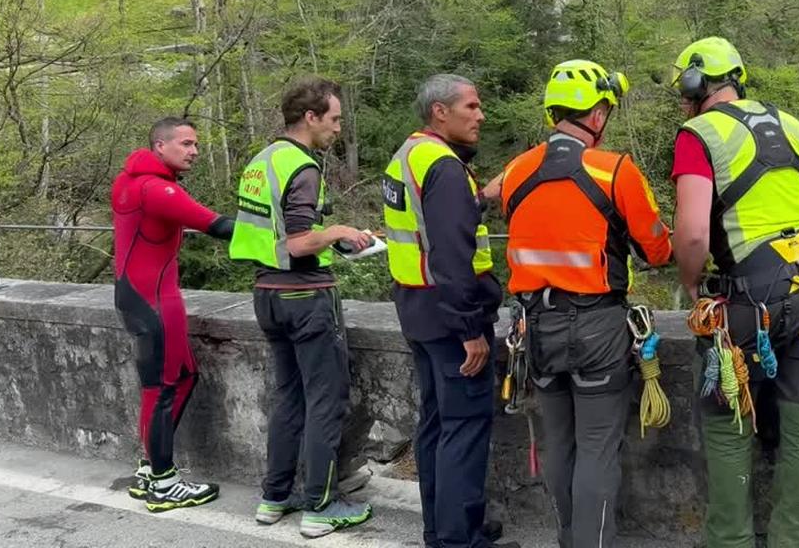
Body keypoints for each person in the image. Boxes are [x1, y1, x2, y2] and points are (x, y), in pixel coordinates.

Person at [499, 60, 672, 548]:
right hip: (595, 323)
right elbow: (656, 246)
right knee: (597, 448)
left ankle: (566, 539)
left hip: (536, 325)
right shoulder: (614, 170)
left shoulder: (516, 170)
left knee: (560, 443)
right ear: (597, 114)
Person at [668, 38, 799, 548]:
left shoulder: (698, 134)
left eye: (684, 89)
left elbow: (694, 232)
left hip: (747, 298)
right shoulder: (791, 122)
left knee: (726, 421)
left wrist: (692, 281)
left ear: (697, 84)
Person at [229, 77, 375, 538]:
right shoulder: (303, 166)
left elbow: (269, 234)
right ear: (310, 118)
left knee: (288, 398)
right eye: (334, 119)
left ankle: (275, 497)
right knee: (325, 401)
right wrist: (340, 232)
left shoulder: (262, 159)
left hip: (266, 294)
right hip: (306, 296)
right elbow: (298, 241)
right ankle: (319, 506)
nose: (338, 129)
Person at [382, 74, 512, 548]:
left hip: (416, 306)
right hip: (449, 313)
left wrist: (477, 199)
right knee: (464, 427)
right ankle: (460, 538)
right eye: (471, 107)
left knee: (437, 423)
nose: (480, 116)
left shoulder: (410, 154)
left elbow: (427, 226)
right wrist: (470, 330)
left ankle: (443, 529)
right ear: (441, 111)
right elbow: (452, 256)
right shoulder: (444, 167)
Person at [112, 117, 235, 512]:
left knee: (172, 381)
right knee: (167, 386)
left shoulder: (129, 180)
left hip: (135, 295)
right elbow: (217, 225)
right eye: (186, 143)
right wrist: (288, 232)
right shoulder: (157, 189)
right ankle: (164, 482)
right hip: (154, 300)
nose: (194, 151)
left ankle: (149, 468)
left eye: (195, 144)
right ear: (160, 146)